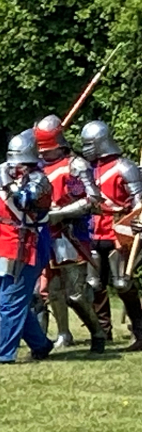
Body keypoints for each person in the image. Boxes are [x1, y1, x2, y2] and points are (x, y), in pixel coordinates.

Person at [0, 130, 54, 363]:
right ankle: (41, 345)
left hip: (27, 244)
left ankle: (5, 354)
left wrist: (7, 182)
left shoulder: (39, 180)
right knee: (6, 301)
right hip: (1, 243)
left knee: (12, 300)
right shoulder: (7, 176)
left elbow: (23, 201)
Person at [33, 115, 106, 353]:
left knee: (76, 295)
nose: (44, 154)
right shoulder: (37, 167)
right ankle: (63, 334)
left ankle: (98, 332)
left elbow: (92, 200)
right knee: (50, 291)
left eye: (48, 150)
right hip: (45, 234)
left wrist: (61, 213)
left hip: (70, 234)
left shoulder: (76, 165)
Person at [81, 120, 142, 350]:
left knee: (122, 283)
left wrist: (136, 221)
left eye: (89, 144)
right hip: (93, 231)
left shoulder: (124, 167)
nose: (86, 149)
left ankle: (140, 332)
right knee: (94, 284)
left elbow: (139, 202)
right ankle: (102, 332)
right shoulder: (87, 169)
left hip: (117, 231)